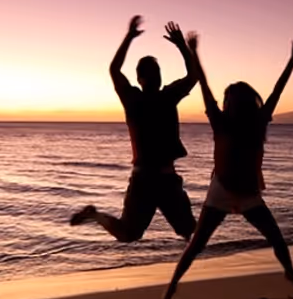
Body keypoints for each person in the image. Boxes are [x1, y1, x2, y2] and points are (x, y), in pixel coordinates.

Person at [160, 34, 293, 299]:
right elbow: (277, 89)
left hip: (242, 191)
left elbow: (206, 87)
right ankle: (170, 289)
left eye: (228, 99)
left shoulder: (231, 122)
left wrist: (194, 52)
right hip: (226, 190)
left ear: (233, 103)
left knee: (200, 246)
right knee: (268, 239)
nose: (225, 102)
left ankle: (170, 290)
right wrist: (292, 59)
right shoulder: (247, 121)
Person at [70, 15, 199, 243]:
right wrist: (181, 46)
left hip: (152, 180)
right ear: (141, 79)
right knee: (185, 230)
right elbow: (193, 76)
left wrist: (129, 37)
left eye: (155, 74)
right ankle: (95, 215)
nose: (153, 77)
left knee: (143, 233)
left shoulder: (143, 98)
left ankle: (95, 215)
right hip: (155, 180)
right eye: (152, 74)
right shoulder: (158, 97)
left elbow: (114, 69)